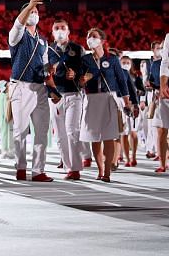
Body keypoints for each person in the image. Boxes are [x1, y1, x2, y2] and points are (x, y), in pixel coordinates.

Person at [7, 0, 61, 182]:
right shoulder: (16, 35)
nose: (34, 13)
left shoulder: (43, 41)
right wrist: (29, 5)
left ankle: (38, 170)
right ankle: (21, 167)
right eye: (31, 11)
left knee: (41, 131)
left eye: (36, 11)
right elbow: (18, 24)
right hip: (20, 86)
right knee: (20, 130)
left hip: (39, 88)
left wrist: (53, 86)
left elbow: (45, 67)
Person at [78, 28, 131, 182]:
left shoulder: (112, 59)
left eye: (93, 36)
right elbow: (79, 81)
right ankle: (100, 169)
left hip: (109, 98)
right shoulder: (85, 60)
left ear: (102, 41)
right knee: (95, 138)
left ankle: (107, 171)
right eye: (88, 37)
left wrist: (127, 102)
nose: (90, 39)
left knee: (109, 136)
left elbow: (122, 81)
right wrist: (82, 80)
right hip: (92, 99)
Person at [47, 19, 85, 180]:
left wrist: (76, 75)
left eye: (63, 27)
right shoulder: (48, 50)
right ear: (52, 32)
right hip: (55, 95)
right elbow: (43, 73)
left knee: (72, 130)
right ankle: (67, 165)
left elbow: (85, 69)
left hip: (74, 94)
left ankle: (74, 168)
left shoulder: (77, 49)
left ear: (69, 31)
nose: (60, 30)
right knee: (60, 134)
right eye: (57, 28)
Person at [146, 40, 167, 172]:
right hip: (161, 96)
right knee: (161, 131)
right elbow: (152, 80)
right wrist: (152, 85)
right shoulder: (156, 64)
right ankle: (162, 163)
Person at [0, 81, 14, 159]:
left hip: (9, 117)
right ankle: (5, 150)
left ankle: (11, 150)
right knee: (4, 133)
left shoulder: (9, 94)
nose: (8, 86)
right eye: (6, 85)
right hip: (3, 118)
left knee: (11, 133)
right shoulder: (2, 95)